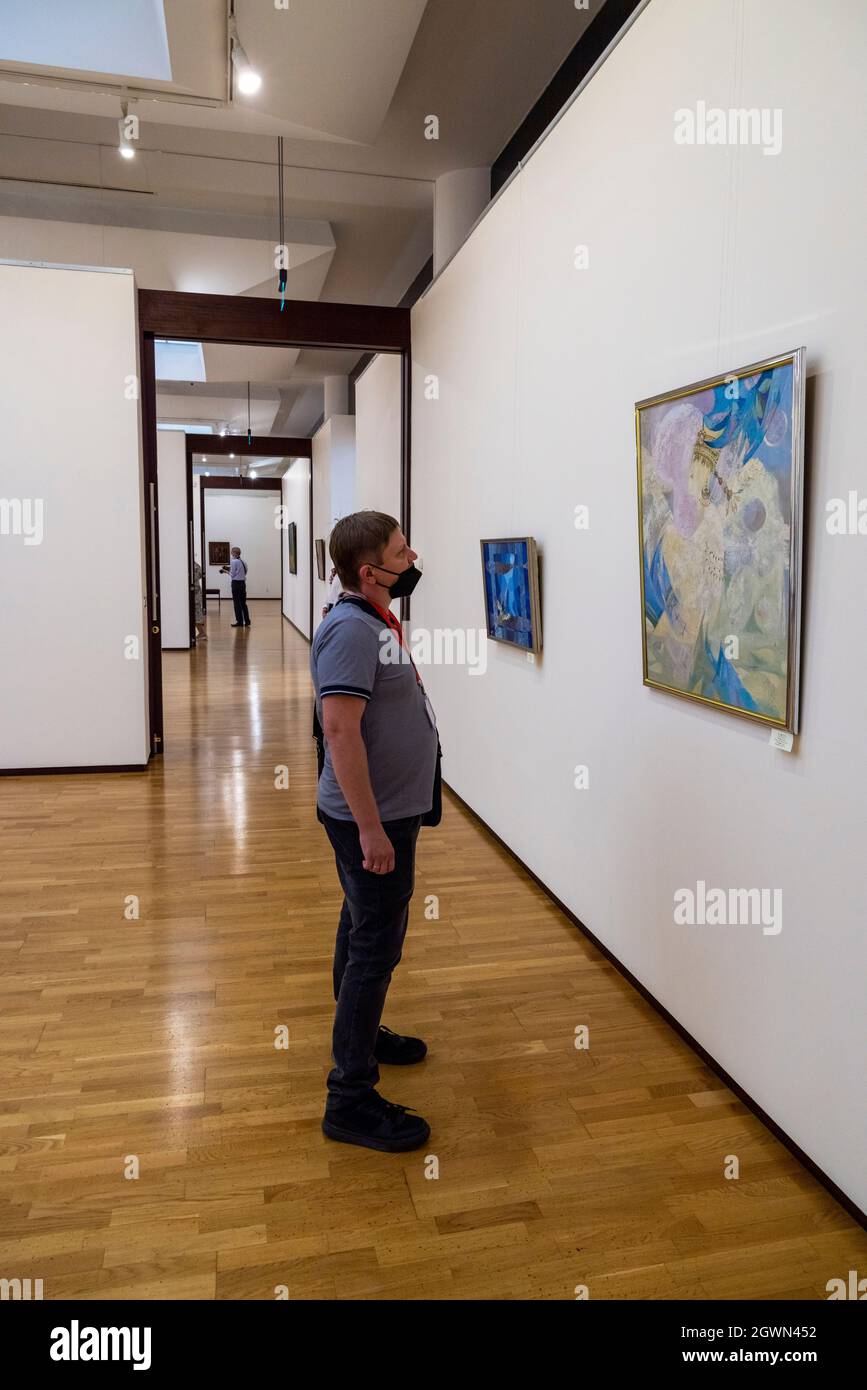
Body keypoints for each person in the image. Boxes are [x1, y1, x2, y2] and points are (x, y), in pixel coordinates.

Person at [310, 510, 439, 1153]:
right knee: (374, 948)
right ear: (371, 571)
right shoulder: (352, 632)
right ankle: (351, 1097)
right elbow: (339, 732)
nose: (411, 555)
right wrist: (370, 831)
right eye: (400, 549)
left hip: (388, 811)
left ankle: (363, 1031)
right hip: (373, 817)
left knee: (360, 928)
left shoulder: (374, 619)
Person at [223, 546, 250, 627]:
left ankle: (240, 622)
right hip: (243, 583)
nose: (231, 553)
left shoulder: (234, 561)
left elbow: (232, 575)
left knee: (237, 603)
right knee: (243, 603)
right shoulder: (243, 561)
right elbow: (244, 572)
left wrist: (225, 571)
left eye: (231, 552)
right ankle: (247, 621)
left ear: (234, 553)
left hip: (236, 584)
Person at [193, 559, 207, 641]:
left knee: (196, 612)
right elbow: (201, 574)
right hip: (196, 590)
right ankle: (201, 633)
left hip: (195, 591)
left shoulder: (193, 566)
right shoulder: (196, 564)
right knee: (197, 611)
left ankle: (202, 633)